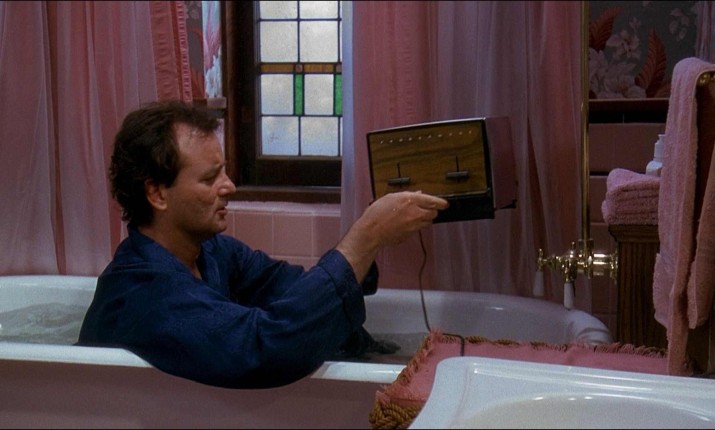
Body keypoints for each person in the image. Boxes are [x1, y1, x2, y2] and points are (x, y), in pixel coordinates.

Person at [77, 100, 449, 389]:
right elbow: (266, 349)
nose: (229, 186)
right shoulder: (142, 293)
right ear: (157, 193)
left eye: (224, 171)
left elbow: (296, 291)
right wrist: (366, 236)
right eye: (210, 178)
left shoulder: (213, 252)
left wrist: (373, 234)